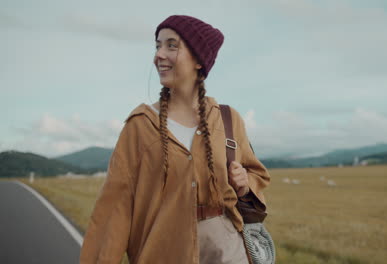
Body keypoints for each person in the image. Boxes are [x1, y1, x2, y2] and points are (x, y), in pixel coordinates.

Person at [79, 15, 270, 264]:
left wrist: (244, 184)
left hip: (227, 253)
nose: (159, 54)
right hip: (162, 253)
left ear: (199, 60)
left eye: (171, 45)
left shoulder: (227, 119)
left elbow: (258, 177)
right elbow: (115, 211)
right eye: (158, 45)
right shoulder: (139, 126)